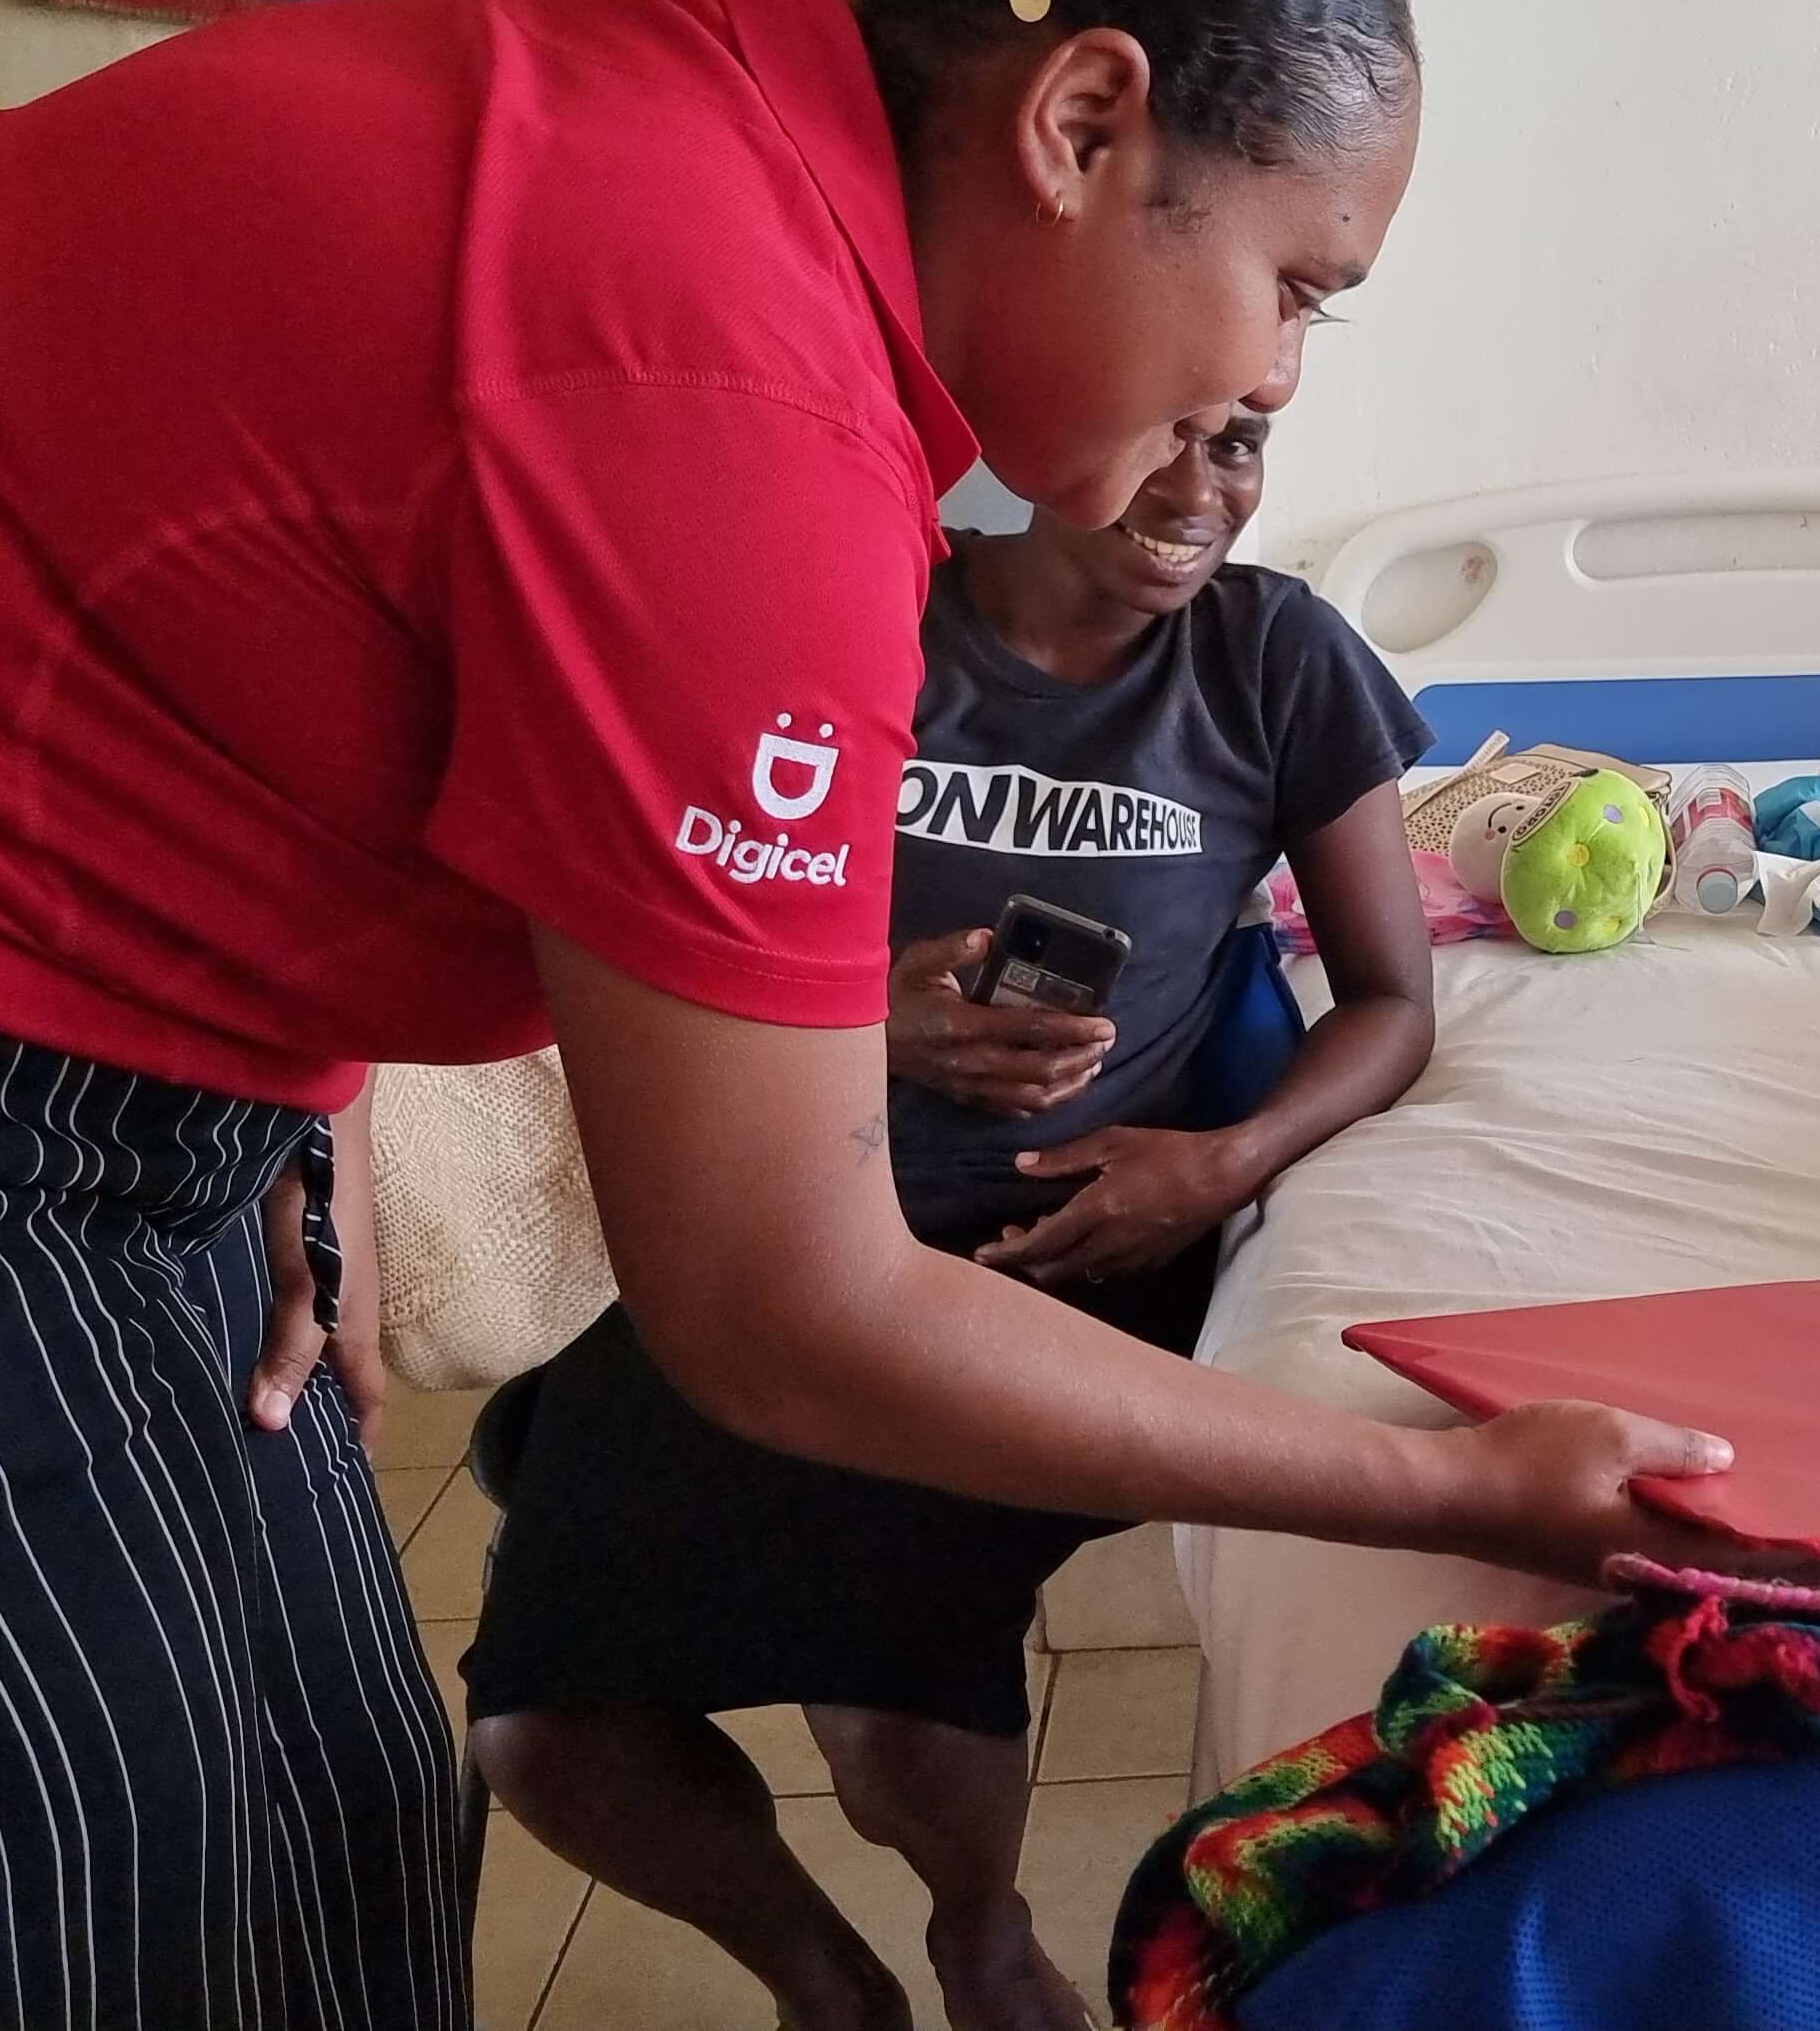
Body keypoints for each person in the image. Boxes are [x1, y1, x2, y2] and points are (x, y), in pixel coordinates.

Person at [0, 0, 1729, 2025]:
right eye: (1295, 284)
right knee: (72, 1922)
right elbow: (785, 1302)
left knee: (335, 1826)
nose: (1274, 373)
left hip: (53, 1030)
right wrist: (1443, 1471)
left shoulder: (692, 142)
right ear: (1082, 120)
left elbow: (224, 584)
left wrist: (280, 1059)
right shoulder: (728, 382)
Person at [465, 412, 1422, 2031]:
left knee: (888, 1714)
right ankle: (821, 1978)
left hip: (1070, 1253)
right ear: (1037, 430)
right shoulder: (854, 623)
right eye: (1164, 438)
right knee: (543, 1732)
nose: (1202, 491)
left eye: (1243, 441)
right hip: (779, 1217)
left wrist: (1223, 1162)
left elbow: (1394, 1002)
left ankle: (981, 1940)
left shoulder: (1271, 659)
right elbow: (645, 939)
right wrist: (866, 1020)